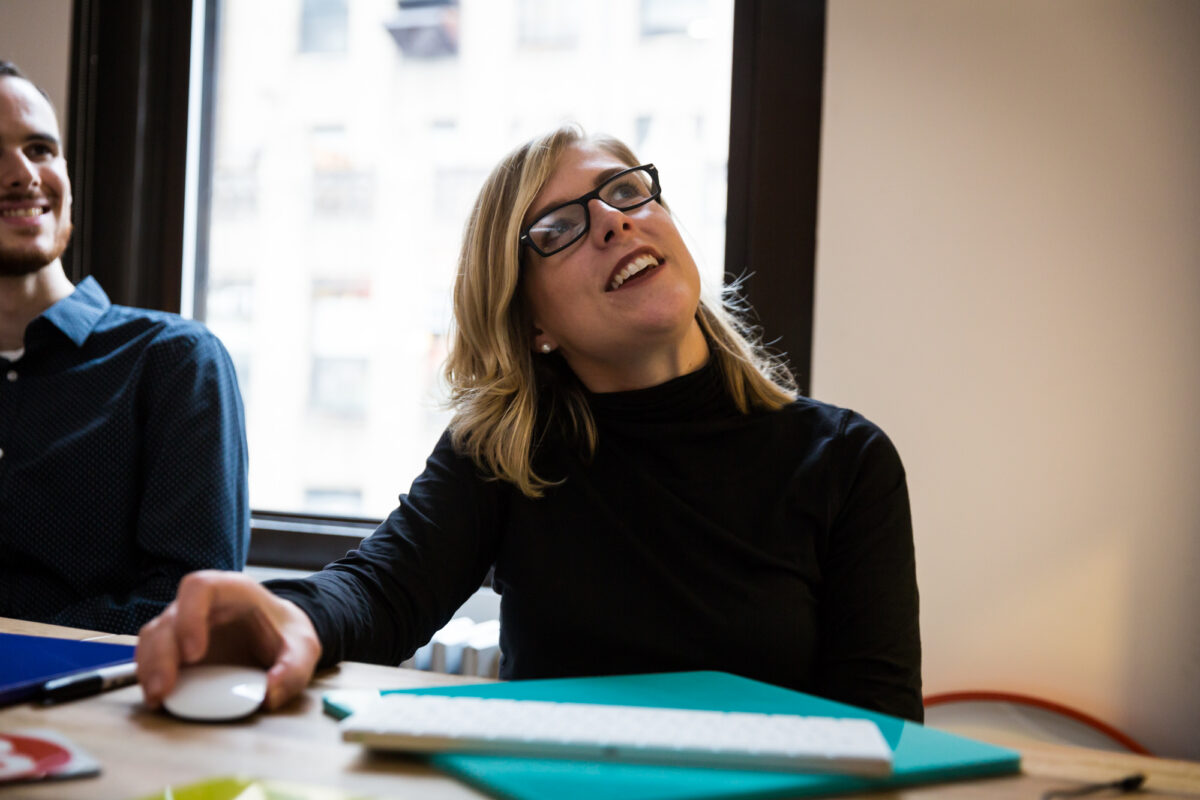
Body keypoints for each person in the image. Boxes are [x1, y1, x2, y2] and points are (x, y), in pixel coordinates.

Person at [137, 124, 923, 721]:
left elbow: (882, 733)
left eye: (626, 191)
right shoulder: (505, 451)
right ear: (533, 323)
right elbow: (382, 592)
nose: (612, 221)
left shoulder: (846, 460)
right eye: (556, 231)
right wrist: (288, 614)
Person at [0, 61, 249, 634]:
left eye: (40, 149)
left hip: (103, 691)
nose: (23, 174)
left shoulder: (177, 362)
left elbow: (185, 603)